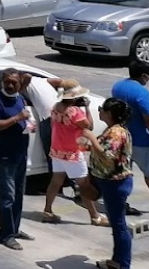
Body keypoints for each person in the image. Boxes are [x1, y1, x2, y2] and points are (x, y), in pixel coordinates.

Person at [82, 97, 136, 269]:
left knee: (120, 226)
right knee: (115, 223)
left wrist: (90, 138)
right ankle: (116, 261)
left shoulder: (117, 133)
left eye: (102, 109)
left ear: (111, 114)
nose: (100, 111)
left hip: (115, 184)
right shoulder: (112, 130)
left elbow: (107, 156)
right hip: (108, 182)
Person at [41, 81, 106, 225]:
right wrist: (87, 109)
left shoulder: (55, 107)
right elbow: (89, 126)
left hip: (57, 150)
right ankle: (95, 216)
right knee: (84, 184)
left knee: (56, 181)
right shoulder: (75, 112)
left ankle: (47, 210)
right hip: (72, 152)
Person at [0, 68, 36, 250]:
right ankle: (6, 235)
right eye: (7, 81)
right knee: (7, 196)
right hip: (6, 155)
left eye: (14, 82)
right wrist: (16, 118)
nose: (10, 85)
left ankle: (14, 229)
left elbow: (28, 78)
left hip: (20, 154)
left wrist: (29, 125)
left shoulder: (19, 98)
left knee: (18, 195)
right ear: (2, 81)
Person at [111, 60, 149, 216]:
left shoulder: (118, 86)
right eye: (148, 76)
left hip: (121, 139)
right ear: (143, 75)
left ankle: (121, 204)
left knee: (123, 174)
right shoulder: (141, 93)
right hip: (140, 141)